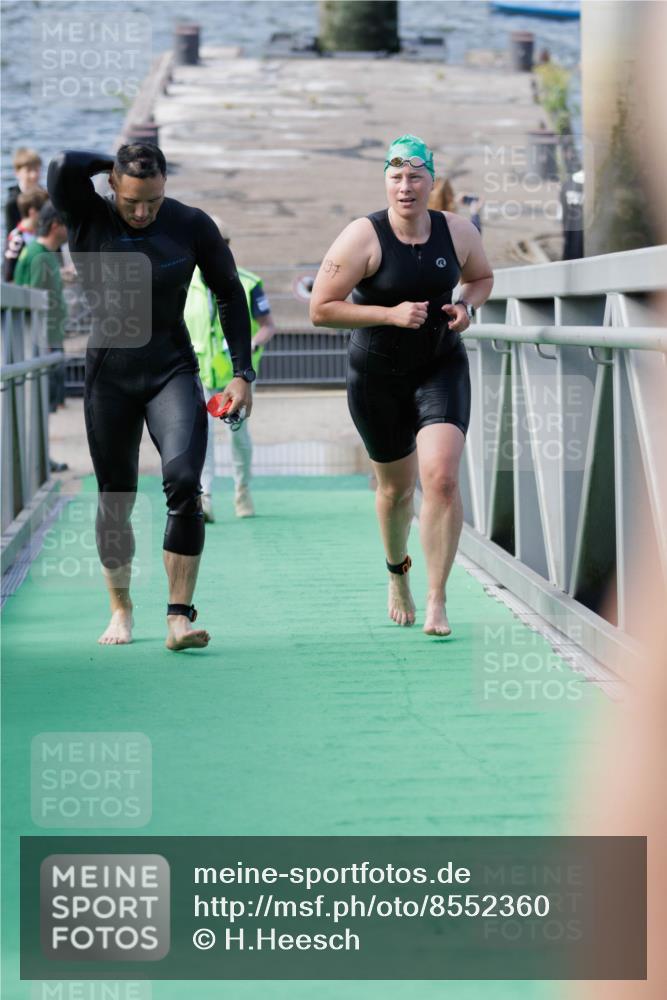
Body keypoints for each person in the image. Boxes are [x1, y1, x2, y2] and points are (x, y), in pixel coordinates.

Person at [47, 145, 254, 651]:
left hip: (170, 369)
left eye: (154, 201)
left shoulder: (190, 224)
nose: (142, 213)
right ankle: (121, 609)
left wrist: (243, 373)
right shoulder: (87, 213)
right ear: (112, 184)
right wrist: (112, 161)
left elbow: (228, 291)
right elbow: (61, 165)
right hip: (109, 376)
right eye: (133, 201)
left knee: (184, 483)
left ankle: (178, 618)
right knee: (115, 498)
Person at [310, 135, 493, 636]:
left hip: (440, 366)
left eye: (415, 177)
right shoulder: (361, 237)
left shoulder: (458, 230)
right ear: (385, 182)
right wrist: (388, 314)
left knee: (441, 479)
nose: (405, 187)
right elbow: (321, 308)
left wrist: (467, 307)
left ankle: (437, 597)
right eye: (395, 177)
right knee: (395, 491)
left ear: (432, 182)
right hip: (376, 377)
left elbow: (481, 277)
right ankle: (398, 574)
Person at [184, 221, 276, 521]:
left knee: (238, 437)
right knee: (203, 437)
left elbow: (268, 327)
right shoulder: (187, 284)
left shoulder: (248, 283)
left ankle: (242, 492)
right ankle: (206, 498)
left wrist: (247, 347)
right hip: (200, 374)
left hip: (235, 377)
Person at [14, 202, 70, 472]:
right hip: (42, 342)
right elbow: (33, 297)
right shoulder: (39, 254)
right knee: (38, 405)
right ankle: (38, 462)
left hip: (45, 339)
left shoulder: (41, 253)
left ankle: (40, 460)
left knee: (42, 406)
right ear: (56, 225)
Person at [4, 188, 49, 282]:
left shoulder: (42, 233)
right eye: (45, 211)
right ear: (32, 212)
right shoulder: (17, 239)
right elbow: (9, 277)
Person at [5, 147, 42, 235]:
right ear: (17, 172)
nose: (33, 175)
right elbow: (11, 236)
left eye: (36, 170)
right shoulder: (12, 203)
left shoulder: (44, 196)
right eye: (28, 170)